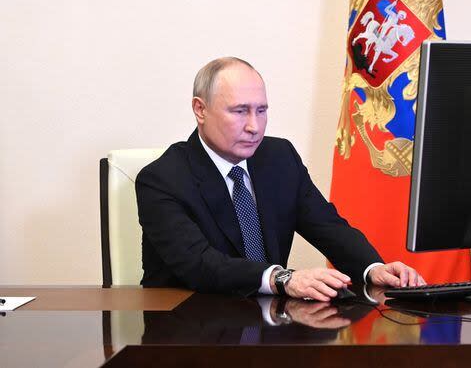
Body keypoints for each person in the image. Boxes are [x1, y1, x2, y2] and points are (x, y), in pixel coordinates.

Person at [137, 57, 425, 301]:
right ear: (200, 109)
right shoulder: (161, 179)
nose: (254, 126)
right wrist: (282, 278)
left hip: (270, 322)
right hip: (191, 328)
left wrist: (372, 268)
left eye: (261, 111)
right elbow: (199, 264)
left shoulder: (279, 157)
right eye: (240, 111)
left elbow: (327, 226)